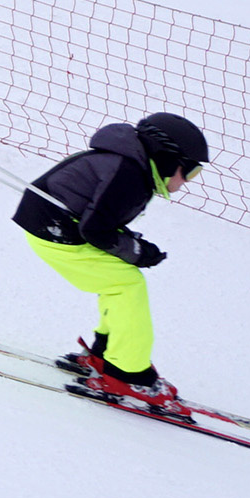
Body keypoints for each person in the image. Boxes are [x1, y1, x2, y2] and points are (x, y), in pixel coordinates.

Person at [12, 113, 211, 416]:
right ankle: (128, 375)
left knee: (118, 281)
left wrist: (134, 247)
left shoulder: (128, 166)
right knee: (128, 285)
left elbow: (100, 219)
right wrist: (137, 251)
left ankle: (106, 355)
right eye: (191, 171)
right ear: (167, 159)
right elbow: (95, 230)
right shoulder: (129, 174)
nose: (188, 180)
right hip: (54, 231)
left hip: (53, 226)